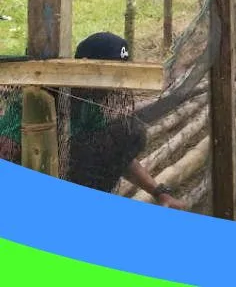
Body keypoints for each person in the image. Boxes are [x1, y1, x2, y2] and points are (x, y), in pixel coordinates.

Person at [0, 33, 186, 209]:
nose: (112, 86)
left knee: (130, 134)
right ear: (85, 66)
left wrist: (159, 192)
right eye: (108, 75)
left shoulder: (89, 104)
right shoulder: (37, 99)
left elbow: (119, 157)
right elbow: (6, 149)